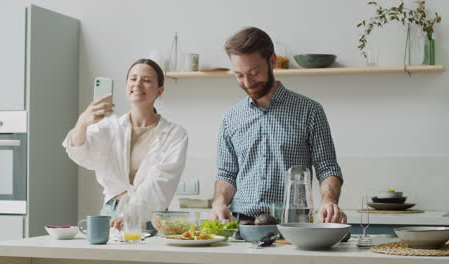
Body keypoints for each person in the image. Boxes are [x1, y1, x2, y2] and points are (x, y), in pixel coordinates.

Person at [211, 27, 346, 224]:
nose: (247, 82)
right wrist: (219, 202)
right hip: (242, 224)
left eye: (254, 72)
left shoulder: (310, 111)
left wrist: (329, 201)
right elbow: (227, 174)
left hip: (293, 223)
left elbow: (327, 168)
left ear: (272, 61)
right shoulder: (231, 118)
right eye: (239, 75)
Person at [63, 58, 188, 230]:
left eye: (147, 80)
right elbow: (80, 155)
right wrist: (82, 123)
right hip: (111, 215)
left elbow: (161, 183)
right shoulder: (109, 127)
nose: (138, 84)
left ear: (160, 90)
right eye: (133, 78)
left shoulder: (175, 134)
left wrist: (131, 214)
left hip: (150, 216)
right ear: (126, 86)